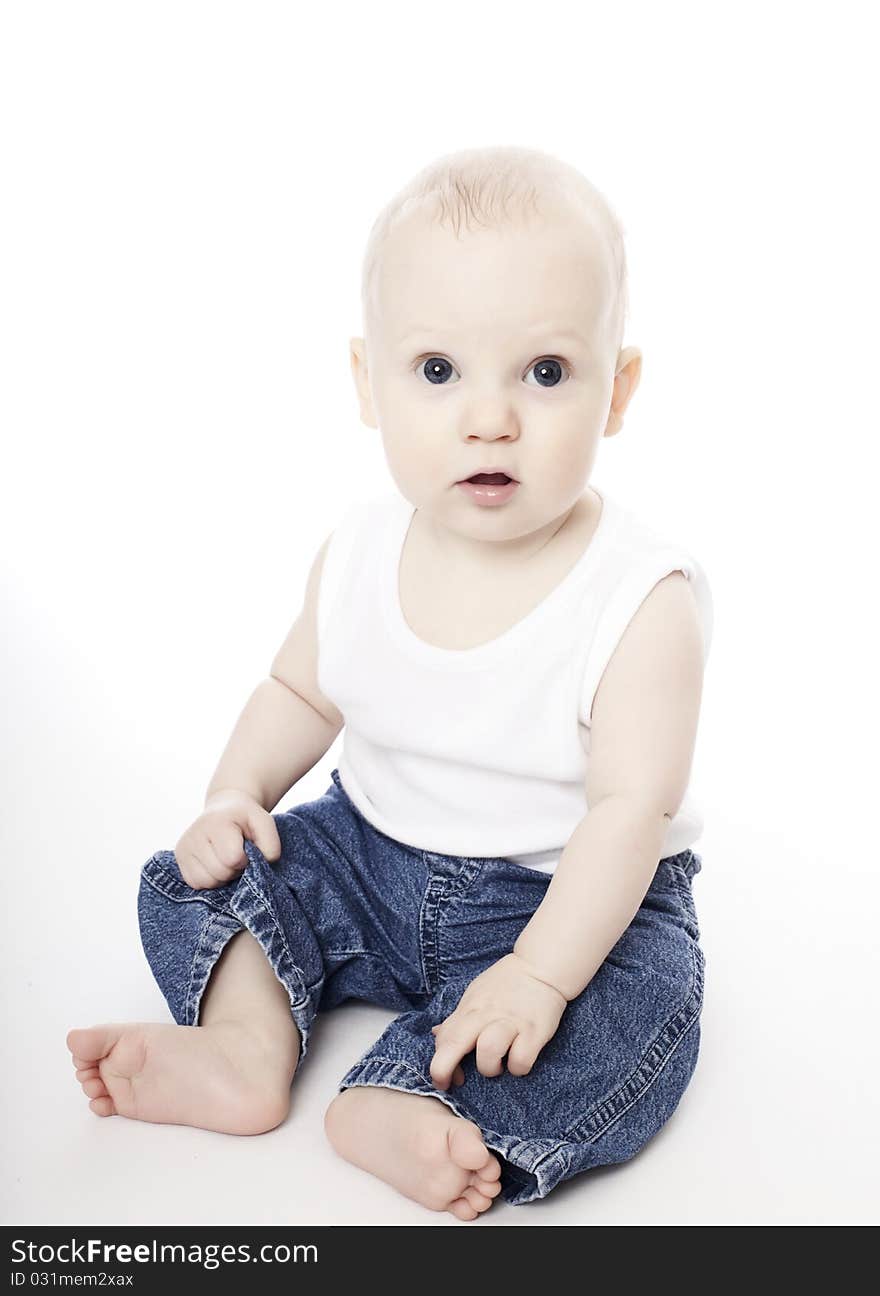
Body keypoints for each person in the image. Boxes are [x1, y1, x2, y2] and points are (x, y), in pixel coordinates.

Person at [66, 145, 713, 1219]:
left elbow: (625, 815)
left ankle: (424, 1102)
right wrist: (237, 796)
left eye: (544, 373)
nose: (489, 418)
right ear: (367, 383)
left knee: (641, 1001)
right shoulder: (360, 549)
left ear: (617, 389)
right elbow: (299, 694)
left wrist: (541, 974)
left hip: (561, 891)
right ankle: (243, 1046)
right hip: (366, 854)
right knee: (209, 876)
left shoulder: (641, 598)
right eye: (437, 370)